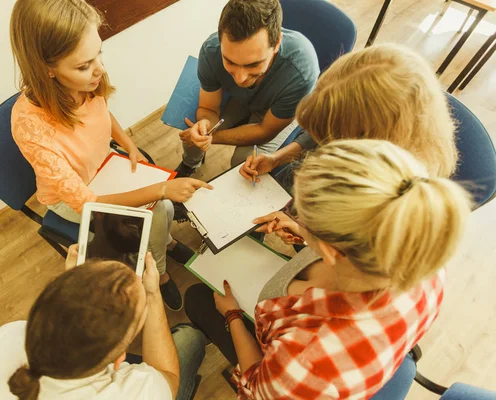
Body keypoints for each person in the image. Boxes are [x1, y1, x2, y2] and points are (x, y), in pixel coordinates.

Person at [185, 139, 471, 399]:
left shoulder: (308, 361)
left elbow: (256, 389)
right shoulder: (424, 254)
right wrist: (303, 232)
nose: (294, 217)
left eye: (301, 215)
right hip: (367, 356)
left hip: (295, 377)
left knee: (198, 299)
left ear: (332, 251)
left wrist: (233, 315)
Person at [9, 0, 213, 310]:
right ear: (47, 69)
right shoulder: (30, 126)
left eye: (99, 53)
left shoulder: (85, 80)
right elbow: (87, 201)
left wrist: (126, 142)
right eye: (84, 65)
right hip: (73, 196)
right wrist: (160, 188)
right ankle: (159, 274)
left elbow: (101, 112)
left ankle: (166, 244)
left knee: (164, 208)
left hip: (106, 167)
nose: (100, 69)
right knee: (157, 210)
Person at [0, 249, 206, 400]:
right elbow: (169, 380)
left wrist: (74, 287)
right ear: (118, 360)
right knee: (191, 339)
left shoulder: (8, 335)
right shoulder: (135, 393)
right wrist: (152, 295)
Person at [240, 43, 458, 189]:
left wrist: (307, 234)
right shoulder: (361, 129)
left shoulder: (400, 190)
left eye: (336, 134)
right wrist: (276, 158)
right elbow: (319, 135)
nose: (326, 139)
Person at [174, 0, 320, 178]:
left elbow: (265, 131)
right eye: (230, 61)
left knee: (244, 163)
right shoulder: (211, 50)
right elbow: (208, 108)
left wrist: (213, 137)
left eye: (254, 64)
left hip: (278, 108)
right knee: (193, 136)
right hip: (240, 99)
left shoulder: (301, 72)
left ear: (277, 43)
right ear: (220, 41)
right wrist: (204, 126)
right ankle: (190, 164)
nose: (241, 78)